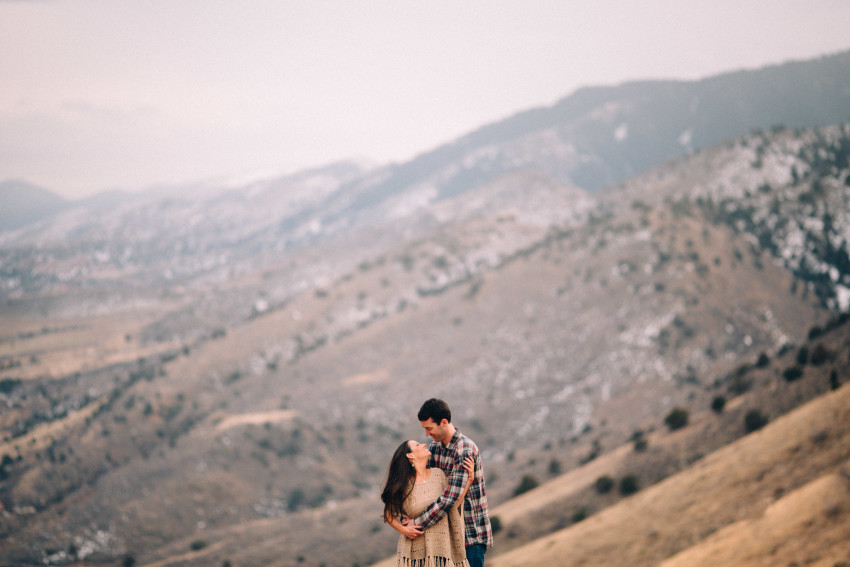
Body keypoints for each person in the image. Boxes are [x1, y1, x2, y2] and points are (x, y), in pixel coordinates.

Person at [412, 398, 493, 567]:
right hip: (444, 536)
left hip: (469, 536)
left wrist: (416, 523)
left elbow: (449, 499)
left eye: (429, 428)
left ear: (443, 422)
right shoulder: (434, 449)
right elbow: (425, 489)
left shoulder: (464, 449)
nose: (426, 434)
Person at [381, 439, 474, 566]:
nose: (424, 444)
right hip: (416, 555)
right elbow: (388, 514)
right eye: (418, 445)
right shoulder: (403, 486)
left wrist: (469, 480)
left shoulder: (439, 474)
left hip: (443, 551)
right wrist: (404, 530)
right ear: (410, 455)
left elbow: (452, 505)